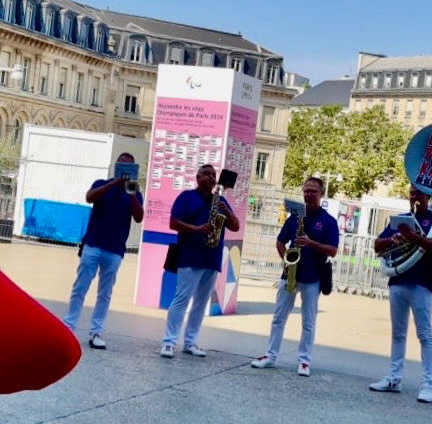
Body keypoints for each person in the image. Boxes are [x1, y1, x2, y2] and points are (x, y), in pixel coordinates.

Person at [250, 177, 339, 377]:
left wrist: (310, 243)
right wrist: (286, 261)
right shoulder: (295, 217)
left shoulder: (328, 221)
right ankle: (271, 356)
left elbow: (333, 251)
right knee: (278, 318)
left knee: (308, 322)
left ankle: (304, 361)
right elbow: (280, 242)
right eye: (306, 190)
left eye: (313, 191)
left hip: (313, 277)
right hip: (289, 274)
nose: (309, 195)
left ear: (321, 194)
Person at [368, 186, 432, 403]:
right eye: (412, 194)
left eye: (419, 194)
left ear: (427, 197)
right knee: (398, 333)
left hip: (421, 283)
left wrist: (413, 237)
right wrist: (392, 240)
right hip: (398, 280)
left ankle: (429, 385)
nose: (414, 198)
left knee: (424, 334)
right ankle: (394, 378)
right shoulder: (400, 219)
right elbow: (377, 245)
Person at [160, 164, 240, 359]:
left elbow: (235, 226)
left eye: (214, 175)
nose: (211, 178)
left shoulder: (219, 200)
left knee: (201, 303)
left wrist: (226, 211)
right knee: (181, 300)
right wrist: (196, 229)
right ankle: (169, 342)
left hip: (211, 258)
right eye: (207, 174)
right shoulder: (186, 197)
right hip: (189, 256)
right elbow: (173, 223)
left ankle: (190, 341)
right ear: (197, 178)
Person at [65, 153, 144, 349]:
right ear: (115, 167)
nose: (124, 169)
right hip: (93, 244)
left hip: (115, 249)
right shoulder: (102, 183)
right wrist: (112, 184)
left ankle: (96, 332)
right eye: (121, 165)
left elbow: (139, 217)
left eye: (128, 167)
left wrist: (131, 193)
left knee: (105, 293)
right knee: (80, 287)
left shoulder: (134, 191)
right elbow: (89, 197)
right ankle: (69, 326)